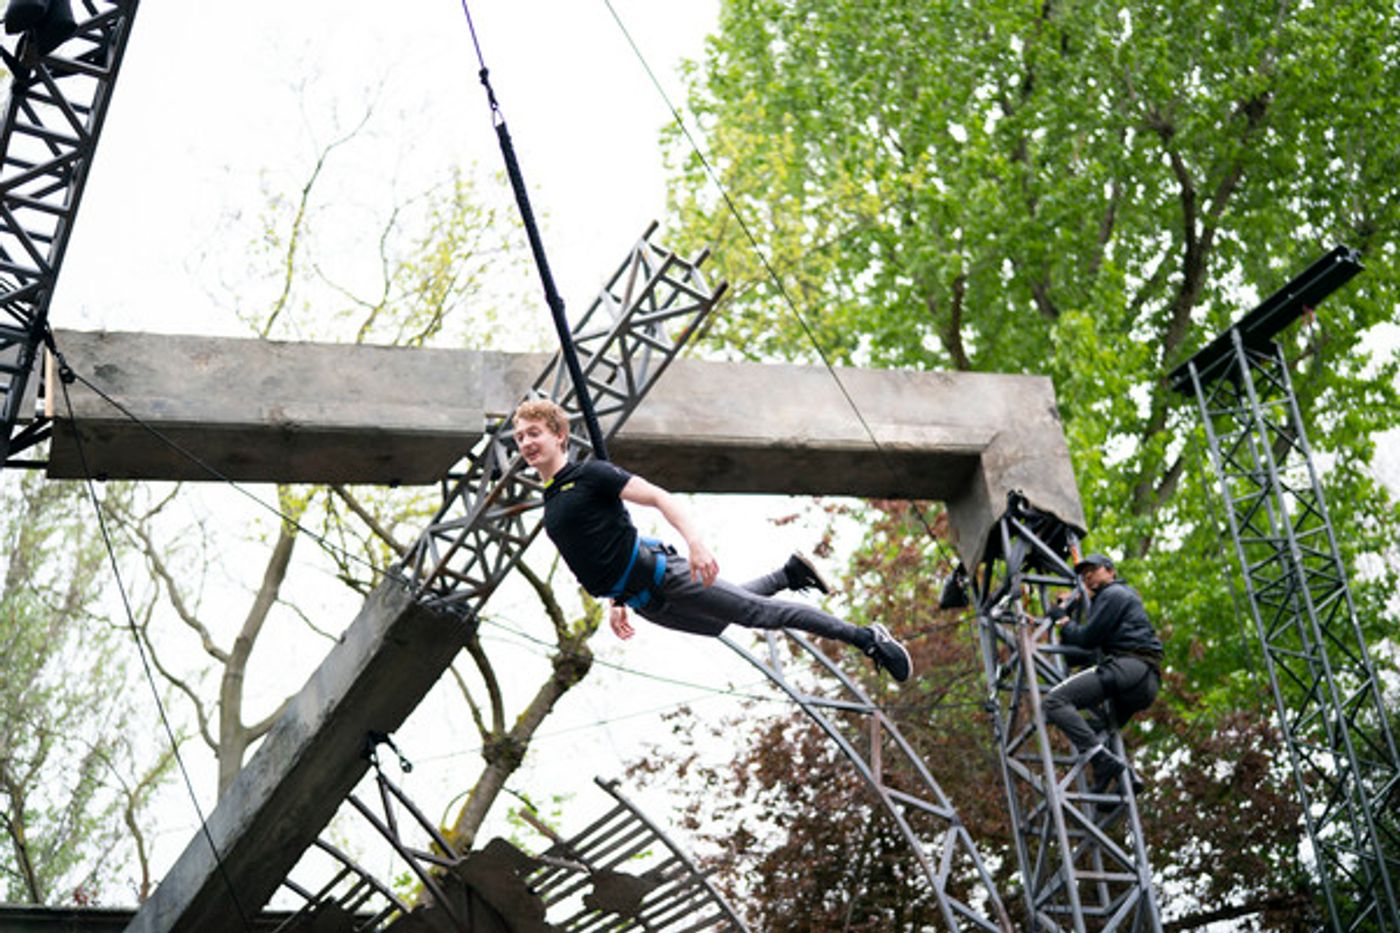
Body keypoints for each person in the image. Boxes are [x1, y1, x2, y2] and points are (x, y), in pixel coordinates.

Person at [511, 399, 912, 682]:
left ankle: (866, 638)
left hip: (665, 576)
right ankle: (787, 574)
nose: (526, 443)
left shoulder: (590, 475)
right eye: (520, 438)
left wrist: (695, 543)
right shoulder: (550, 502)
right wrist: (616, 601)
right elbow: (603, 545)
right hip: (643, 600)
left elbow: (658, 497)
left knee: (758, 614)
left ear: (560, 435)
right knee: (719, 622)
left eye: (534, 433)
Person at [1043, 553, 1162, 792]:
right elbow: (1076, 655)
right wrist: (1075, 608)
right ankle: (1124, 778)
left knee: (1054, 702)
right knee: (1098, 728)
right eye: (1084, 573)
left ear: (1111, 571)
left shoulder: (1113, 594)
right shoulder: (1113, 599)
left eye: (1093, 570)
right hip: (1144, 682)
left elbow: (1087, 639)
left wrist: (1064, 620)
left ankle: (1102, 761)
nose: (1087, 575)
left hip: (1130, 668)